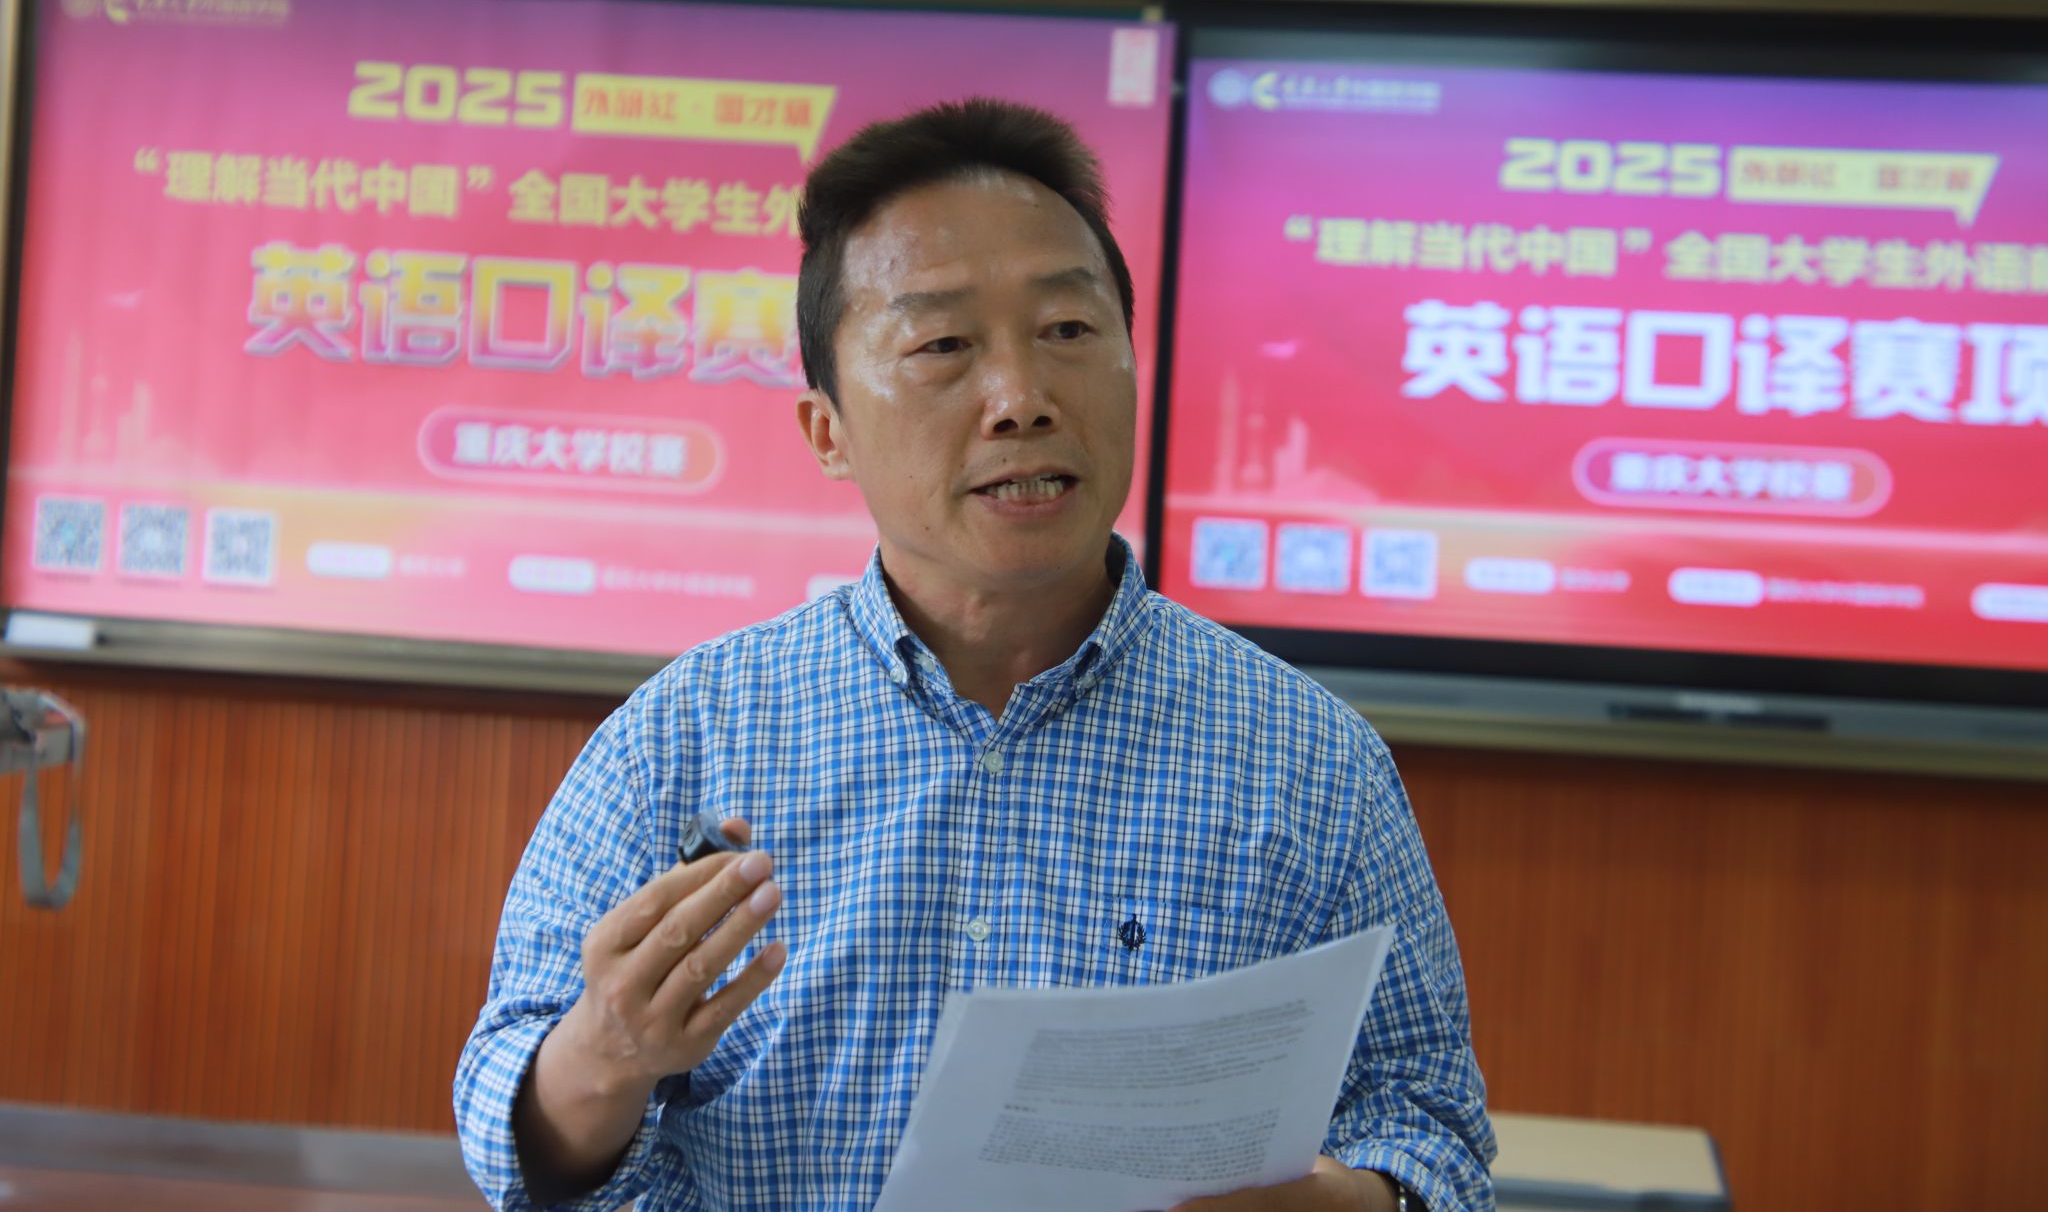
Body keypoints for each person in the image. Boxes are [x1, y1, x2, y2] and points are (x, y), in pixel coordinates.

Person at [455, 98, 1495, 1211]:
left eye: (1067, 331)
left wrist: (1338, 1201)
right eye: (943, 346)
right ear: (828, 431)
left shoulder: (1309, 761)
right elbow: (505, 1127)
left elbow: (1428, 1124)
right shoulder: (684, 738)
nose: (1021, 400)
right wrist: (603, 1056)